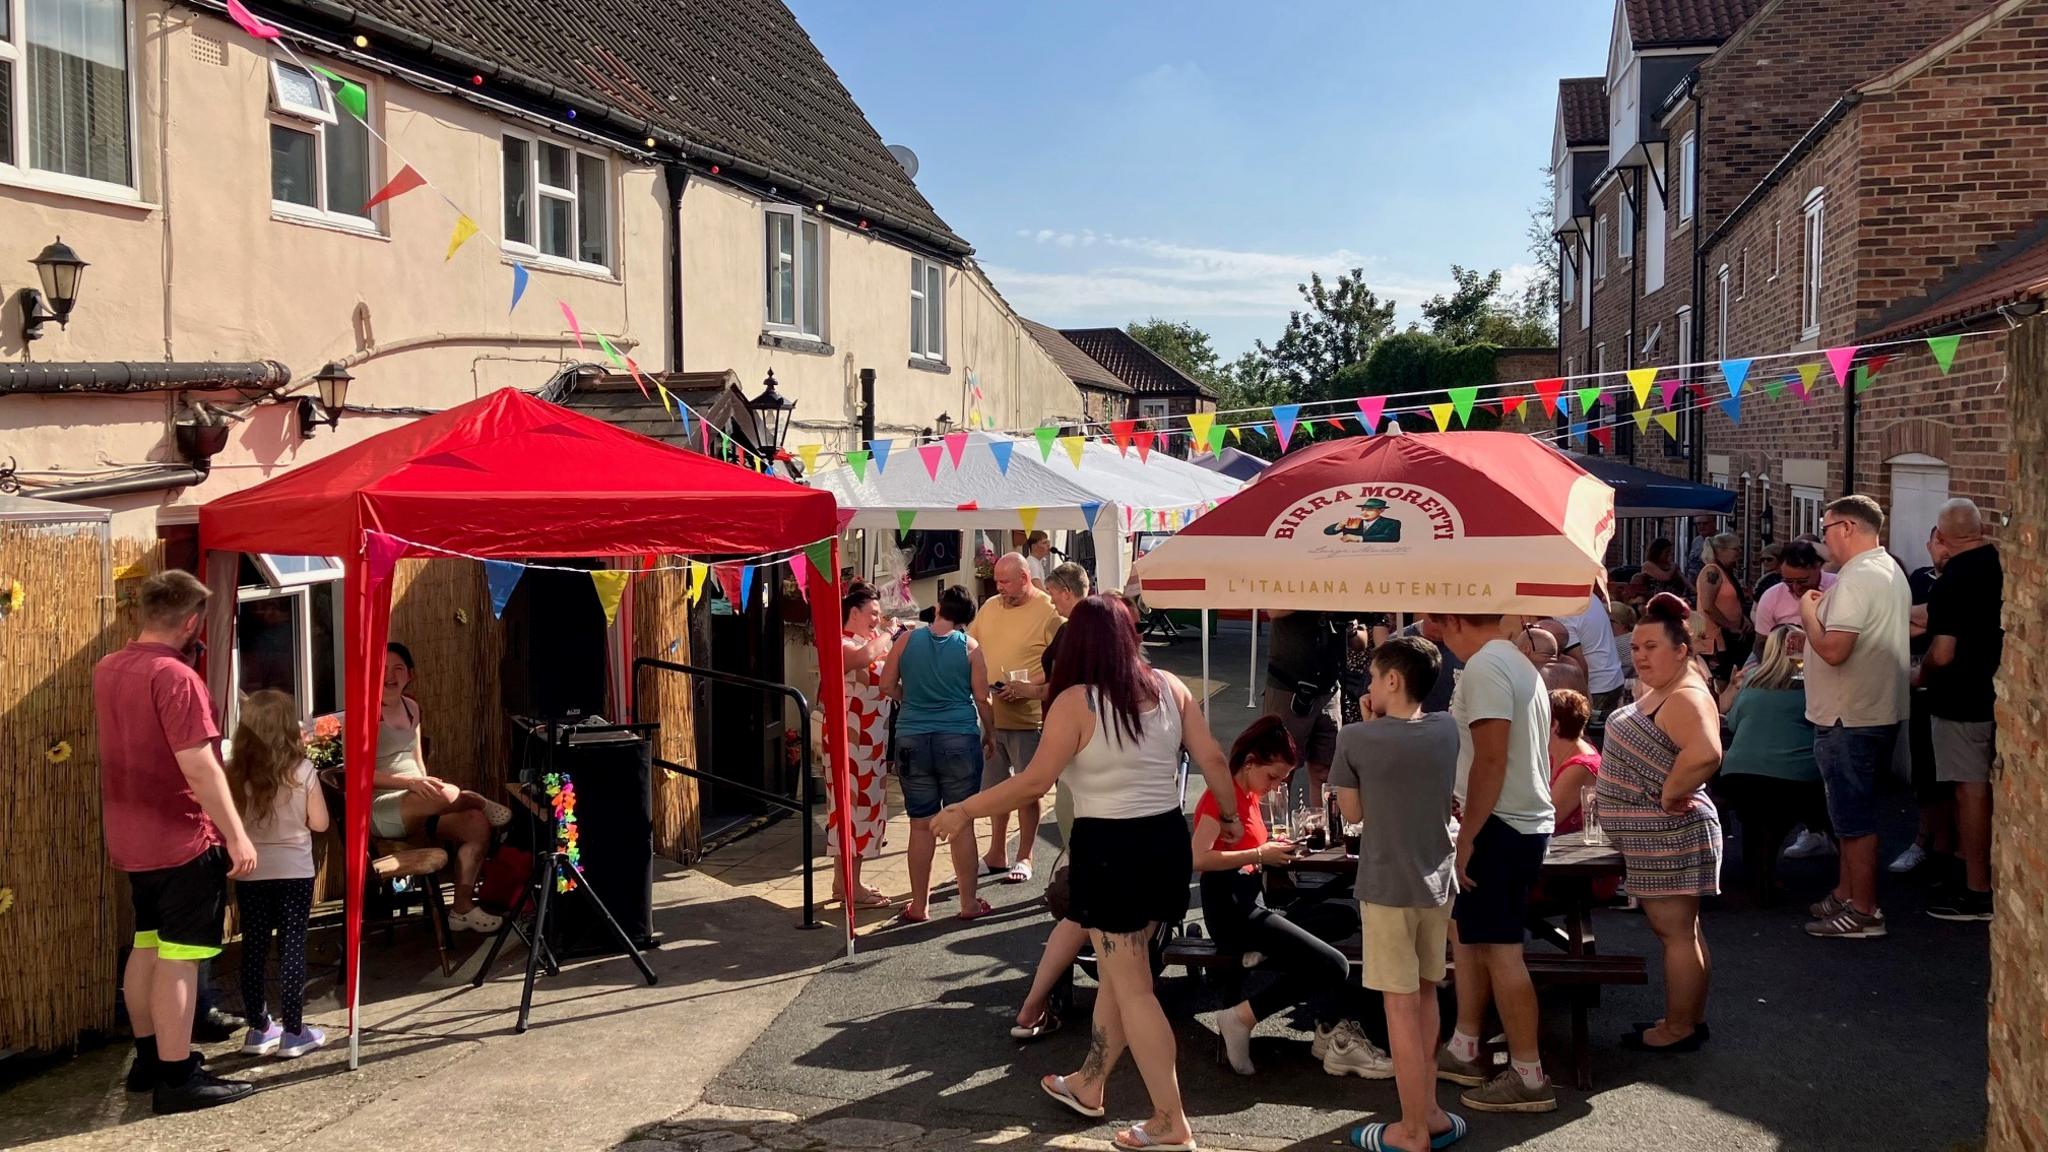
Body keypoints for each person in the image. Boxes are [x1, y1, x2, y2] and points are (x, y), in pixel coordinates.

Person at [932, 596, 1241, 1152]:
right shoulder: (1171, 685)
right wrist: (1230, 813)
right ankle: (1089, 1083)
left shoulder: (1076, 700)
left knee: (1134, 987)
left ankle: (1170, 1120)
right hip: (1164, 841)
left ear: (1078, 643)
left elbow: (1033, 782)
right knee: (1125, 975)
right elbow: (1214, 760)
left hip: (1111, 850)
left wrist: (964, 810)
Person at [96, 570, 258, 1112]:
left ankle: (149, 1061)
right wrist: (236, 836)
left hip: (130, 834)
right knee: (181, 957)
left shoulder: (108, 668)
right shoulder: (176, 677)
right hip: (183, 839)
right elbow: (201, 767)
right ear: (191, 621)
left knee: (147, 944)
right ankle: (177, 1076)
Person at [1330, 636, 1466, 1151]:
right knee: (1428, 994)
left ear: (1392, 680)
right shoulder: (1447, 729)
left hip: (1387, 884)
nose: (1368, 685)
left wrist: (1365, 726)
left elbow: (1353, 814)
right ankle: (1427, 1112)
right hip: (1437, 881)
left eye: (1374, 677)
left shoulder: (1357, 740)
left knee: (1398, 1007)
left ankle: (1410, 1130)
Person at [1197, 717, 1381, 1079]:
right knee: (1334, 965)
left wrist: (1271, 849)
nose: (1277, 785)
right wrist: (1259, 855)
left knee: (1341, 917)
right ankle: (1241, 1017)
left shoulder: (1248, 795)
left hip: (1253, 903)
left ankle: (1274, 966)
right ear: (1250, 762)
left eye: (1282, 779)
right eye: (1273, 777)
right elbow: (1198, 857)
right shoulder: (1221, 797)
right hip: (1231, 909)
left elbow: (1252, 847)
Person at [1429, 612, 1557, 1114]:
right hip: (1517, 822)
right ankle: (1465, 1048)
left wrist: (1469, 837)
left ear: (1455, 620)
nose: (1432, 633)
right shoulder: (1514, 661)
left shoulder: (1486, 667)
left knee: (1501, 951)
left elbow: (1491, 759)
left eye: (1436, 624)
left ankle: (1528, 1075)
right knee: (1475, 940)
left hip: (1501, 826)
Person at [1599, 594, 1724, 1050]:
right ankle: (1686, 1018)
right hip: (1659, 838)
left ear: (1681, 650)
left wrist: (1670, 792)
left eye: (1652, 647)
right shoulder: (1668, 691)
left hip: (1669, 835)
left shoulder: (1686, 696)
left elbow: (1707, 753)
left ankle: (1679, 1028)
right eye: (1636, 647)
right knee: (1681, 932)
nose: (1640, 655)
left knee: (1675, 933)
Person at [1800, 496, 1911, 940]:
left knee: (1854, 816)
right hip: (1869, 711)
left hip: (1850, 716)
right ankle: (1848, 894)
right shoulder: (1887, 571)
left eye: (1825, 529)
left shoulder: (1858, 579)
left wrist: (1807, 614)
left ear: (1847, 527)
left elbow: (1834, 649)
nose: (1823, 539)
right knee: (1848, 813)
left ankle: (1864, 910)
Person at [371, 643, 508, 931]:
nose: (390, 676)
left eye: (397, 669)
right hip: (382, 808)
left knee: (476, 824)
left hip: (418, 802)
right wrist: (412, 783)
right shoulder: (365, 715)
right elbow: (359, 776)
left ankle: (461, 908)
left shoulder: (412, 707)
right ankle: (473, 798)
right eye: (382, 670)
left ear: (410, 675)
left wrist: (426, 790)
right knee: (449, 793)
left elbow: (417, 759)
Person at [881, 586, 995, 922]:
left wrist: (911, 697)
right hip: (958, 736)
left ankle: (919, 905)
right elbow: (983, 698)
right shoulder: (970, 648)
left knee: (920, 825)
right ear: (965, 621)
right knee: (961, 821)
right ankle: (968, 903)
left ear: (937, 608)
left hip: (912, 737)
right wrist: (992, 733)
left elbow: (886, 685)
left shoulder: (905, 640)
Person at [227, 689, 330, 1059]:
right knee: (291, 947)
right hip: (294, 873)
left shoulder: (235, 774)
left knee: (253, 949)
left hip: (251, 872)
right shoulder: (302, 771)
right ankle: (294, 1031)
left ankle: (258, 1028)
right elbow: (319, 823)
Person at [1922, 498, 2002, 922]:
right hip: (1990, 693)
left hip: (1961, 700)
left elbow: (1944, 651)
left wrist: (1921, 671)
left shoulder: (1952, 580)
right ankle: (1970, 875)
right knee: (1974, 786)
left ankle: (1977, 891)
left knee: (1969, 789)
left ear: (1942, 536)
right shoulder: (1994, 564)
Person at [971, 553, 1064, 885]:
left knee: (1027, 788)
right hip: (995, 716)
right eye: (996, 580)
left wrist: (1031, 685)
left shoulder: (1048, 611)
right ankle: (997, 852)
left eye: (1005, 581)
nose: (999, 587)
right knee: (996, 789)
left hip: (1029, 717)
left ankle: (1025, 855)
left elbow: (1062, 661)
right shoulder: (992, 606)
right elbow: (974, 643)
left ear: (1025, 578)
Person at [1716, 625, 1824, 900]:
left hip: (1740, 774)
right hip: (1795, 776)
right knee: (1803, 805)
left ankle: (1758, 875)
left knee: (1754, 819)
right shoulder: (1812, 686)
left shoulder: (1751, 684)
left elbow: (1735, 723)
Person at [835, 584, 900, 908]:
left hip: (872, 741)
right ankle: (851, 887)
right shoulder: (843, 641)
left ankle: (843, 882)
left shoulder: (866, 641)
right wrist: (892, 632)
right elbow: (864, 657)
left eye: (879, 614)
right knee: (853, 811)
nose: (877, 618)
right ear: (855, 612)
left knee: (862, 811)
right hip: (850, 742)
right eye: (872, 613)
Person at [1892, 527, 1952, 878]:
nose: (1941, 549)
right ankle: (1922, 840)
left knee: (1951, 775)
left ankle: (1944, 847)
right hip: (1918, 688)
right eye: (1937, 541)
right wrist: (1924, 617)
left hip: (1950, 691)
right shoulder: (1919, 577)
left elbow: (1926, 620)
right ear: (1929, 543)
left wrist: (1924, 617)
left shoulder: (1962, 579)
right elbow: (1900, 620)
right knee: (1925, 772)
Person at [1261, 610, 1353, 798]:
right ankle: (1273, 826)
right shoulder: (1293, 581)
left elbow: (1361, 639)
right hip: (1288, 685)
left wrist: (1350, 627)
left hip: (1329, 688)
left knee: (1325, 773)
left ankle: (1320, 827)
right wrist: (1319, 598)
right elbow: (1272, 609)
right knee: (1279, 770)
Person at [1559, 592, 1627, 736]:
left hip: (1597, 688)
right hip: (1611, 679)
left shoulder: (1562, 611)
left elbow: (1579, 664)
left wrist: (1582, 705)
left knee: (1591, 743)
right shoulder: (1587, 595)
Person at [1695, 534, 1754, 687]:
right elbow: (1708, 606)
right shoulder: (1712, 571)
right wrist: (1730, 626)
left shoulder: (1726, 571)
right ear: (1721, 550)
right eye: (1735, 549)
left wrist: (1742, 619)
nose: (1739, 553)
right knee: (1720, 682)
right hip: (1716, 639)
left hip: (1732, 636)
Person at [1752, 540, 1837, 635]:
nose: (1796, 588)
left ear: (1817, 566)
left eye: (1803, 581)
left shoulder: (1838, 587)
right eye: (1788, 581)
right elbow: (1762, 642)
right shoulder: (1771, 597)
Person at [1546, 690, 1601, 835]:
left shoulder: (1579, 767)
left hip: (1571, 853)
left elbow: (1546, 819)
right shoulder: (1557, 753)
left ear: (1554, 725)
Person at [1397, 616, 1464, 714]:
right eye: (1435, 618)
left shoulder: (1467, 644)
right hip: (1413, 725)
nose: (1440, 624)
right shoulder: (1398, 643)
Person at [1683, 515, 1720, 584]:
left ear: (1714, 523)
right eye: (1698, 524)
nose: (1701, 526)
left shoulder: (1720, 540)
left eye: (1705, 523)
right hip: (1693, 584)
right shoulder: (1696, 540)